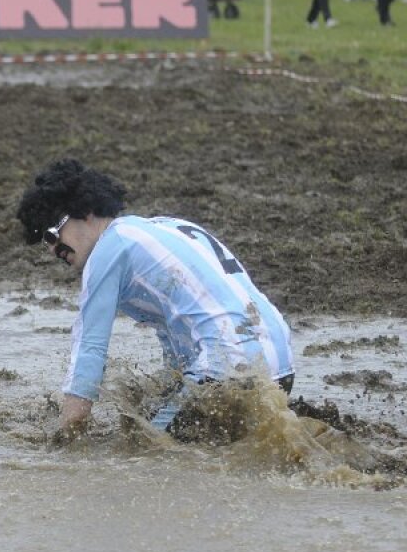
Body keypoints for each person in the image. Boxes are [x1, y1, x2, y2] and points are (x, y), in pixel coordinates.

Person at [15, 159, 295, 445]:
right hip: (281, 366)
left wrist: (67, 435)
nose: (53, 249)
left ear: (84, 212)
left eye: (52, 233)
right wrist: (167, 395)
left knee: (144, 447)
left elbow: (89, 348)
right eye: (43, 241)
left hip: (226, 371)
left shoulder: (108, 252)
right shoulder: (168, 227)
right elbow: (177, 329)